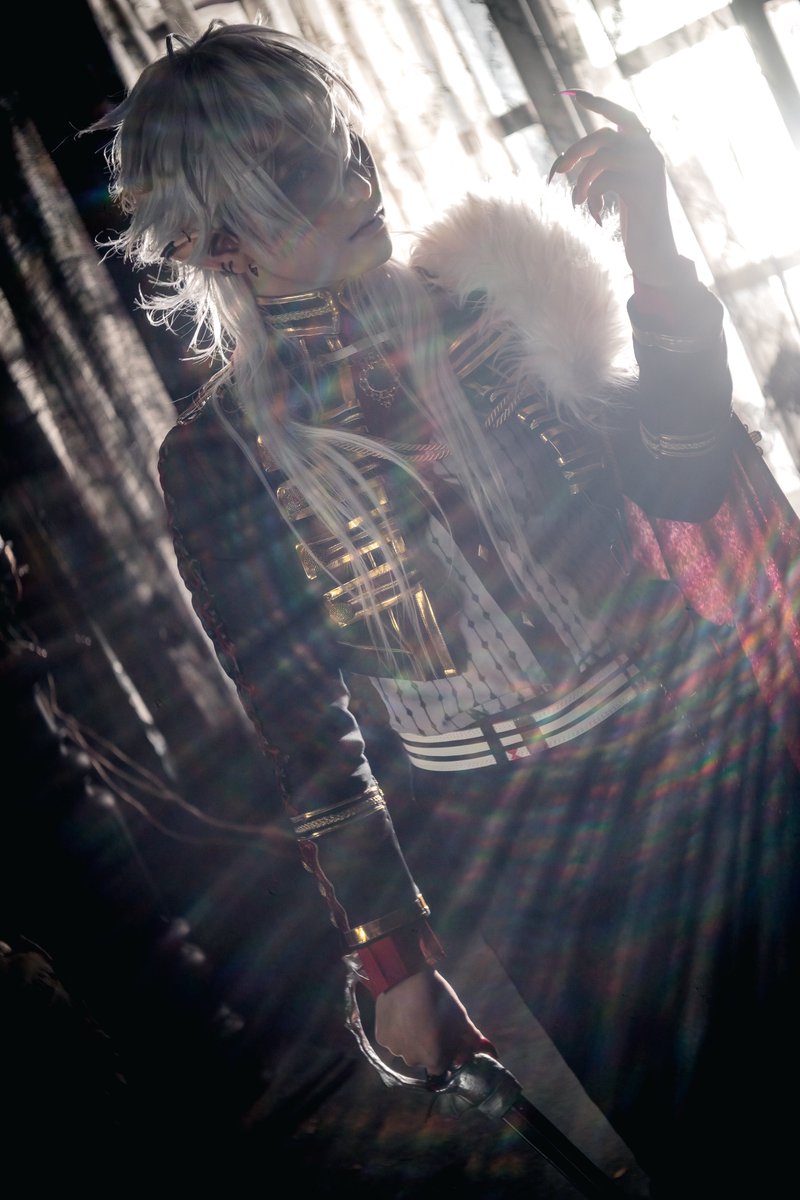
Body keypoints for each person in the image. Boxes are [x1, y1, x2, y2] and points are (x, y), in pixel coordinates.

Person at [89, 21, 800, 1197]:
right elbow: (301, 729)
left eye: (348, 150)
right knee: (708, 1147)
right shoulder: (218, 460)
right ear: (217, 243)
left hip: (703, 758)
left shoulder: (504, 301)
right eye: (301, 175)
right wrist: (392, 960)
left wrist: (654, 248)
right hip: (517, 852)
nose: (356, 185)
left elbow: (680, 478)